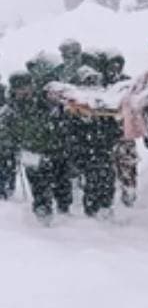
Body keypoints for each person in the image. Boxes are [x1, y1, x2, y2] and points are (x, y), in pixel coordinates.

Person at [0, 71, 71, 223]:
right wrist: (11, 146)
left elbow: (61, 119)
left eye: (27, 86)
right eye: (19, 88)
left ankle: (65, 213)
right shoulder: (9, 111)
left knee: (62, 185)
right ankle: (43, 215)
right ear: (13, 89)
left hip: (55, 150)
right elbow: (4, 135)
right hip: (31, 154)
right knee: (39, 186)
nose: (24, 91)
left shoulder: (45, 102)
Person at [65, 65, 122, 217]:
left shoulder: (106, 101)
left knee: (107, 179)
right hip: (86, 149)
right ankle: (92, 212)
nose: (91, 84)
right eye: (88, 81)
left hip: (103, 148)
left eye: (93, 80)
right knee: (92, 181)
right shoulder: (75, 103)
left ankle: (105, 208)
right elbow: (71, 130)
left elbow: (114, 127)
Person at [99, 50, 139, 207]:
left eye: (118, 64)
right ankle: (108, 197)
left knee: (128, 164)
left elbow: (137, 105)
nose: (115, 68)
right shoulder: (100, 83)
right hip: (104, 133)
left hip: (125, 131)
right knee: (106, 167)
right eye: (112, 64)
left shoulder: (128, 82)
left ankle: (129, 191)